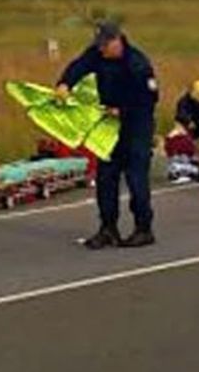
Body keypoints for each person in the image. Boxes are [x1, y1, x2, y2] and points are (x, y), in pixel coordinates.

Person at [58, 21, 160, 250]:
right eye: (99, 45)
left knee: (136, 178)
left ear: (117, 41)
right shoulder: (97, 54)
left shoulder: (137, 64)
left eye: (105, 45)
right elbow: (79, 66)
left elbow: (150, 99)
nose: (101, 49)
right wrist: (65, 83)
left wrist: (122, 110)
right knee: (105, 176)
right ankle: (108, 228)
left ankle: (143, 228)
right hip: (109, 126)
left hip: (136, 124)